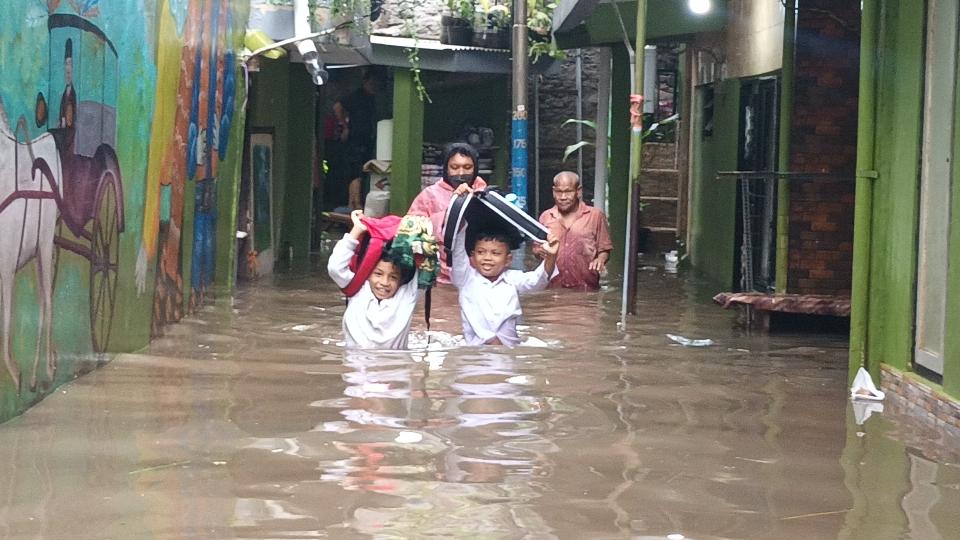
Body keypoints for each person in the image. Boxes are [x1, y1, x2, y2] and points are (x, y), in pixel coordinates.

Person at [450, 216, 559, 347]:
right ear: (472, 257)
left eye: (495, 253)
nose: (487, 258)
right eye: (481, 252)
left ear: (508, 259)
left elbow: (537, 281)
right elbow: (458, 253)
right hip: (475, 355)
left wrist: (551, 256)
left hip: (508, 352)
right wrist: (461, 217)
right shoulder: (466, 279)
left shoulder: (512, 279)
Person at [327, 210, 419, 349]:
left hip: (394, 368)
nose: (384, 282)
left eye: (393, 277)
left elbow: (428, 267)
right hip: (357, 368)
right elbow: (335, 268)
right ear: (367, 272)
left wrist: (419, 242)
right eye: (378, 274)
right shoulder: (358, 289)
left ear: (402, 280)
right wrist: (356, 230)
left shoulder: (408, 295)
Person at [408, 142, 488, 283]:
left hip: (480, 274)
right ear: (446, 168)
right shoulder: (429, 195)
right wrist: (451, 211)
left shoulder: (486, 195)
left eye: (467, 167)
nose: (461, 173)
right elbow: (410, 233)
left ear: (475, 169)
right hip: (440, 276)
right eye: (454, 167)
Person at [535, 171, 613, 290]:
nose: (563, 197)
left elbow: (605, 249)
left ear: (578, 191)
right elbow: (536, 249)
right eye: (559, 192)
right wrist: (538, 251)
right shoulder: (546, 217)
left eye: (568, 192)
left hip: (586, 288)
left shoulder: (595, 216)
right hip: (552, 289)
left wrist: (599, 260)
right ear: (553, 191)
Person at [332, 68, 383, 209]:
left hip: (367, 138)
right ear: (365, 82)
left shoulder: (372, 99)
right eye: (372, 83)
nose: (375, 86)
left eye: (377, 84)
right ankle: (355, 204)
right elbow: (337, 107)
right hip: (356, 138)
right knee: (356, 171)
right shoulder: (357, 96)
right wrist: (345, 125)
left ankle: (354, 203)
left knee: (361, 171)